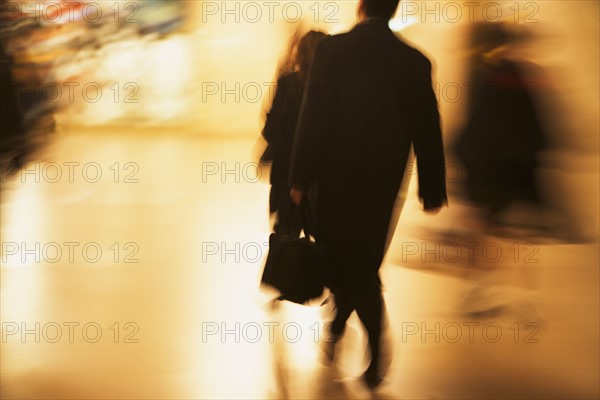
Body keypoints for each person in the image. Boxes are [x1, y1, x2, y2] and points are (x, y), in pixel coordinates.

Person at [289, 0, 447, 389]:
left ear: (360, 8)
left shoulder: (333, 51)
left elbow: (315, 115)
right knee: (359, 258)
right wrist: (432, 187)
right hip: (383, 183)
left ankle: (375, 347)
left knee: (348, 262)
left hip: (334, 178)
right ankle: (338, 329)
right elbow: (428, 127)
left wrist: (299, 177)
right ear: (392, 10)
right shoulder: (415, 61)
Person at [261, 30, 328, 234]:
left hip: (286, 177)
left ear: (299, 54)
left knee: (285, 239)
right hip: (321, 179)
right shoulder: (331, 89)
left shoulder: (288, 83)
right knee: (322, 240)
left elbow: (270, 131)